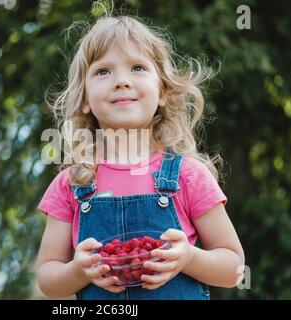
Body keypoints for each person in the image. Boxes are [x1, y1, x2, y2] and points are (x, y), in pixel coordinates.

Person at [35, 14, 244, 300]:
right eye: (103, 72)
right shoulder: (70, 184)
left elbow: (234, 268)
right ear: (84, 99)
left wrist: (189, 259)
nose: (121, 81)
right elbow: (48, 278)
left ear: (162, 91)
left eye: (137, 67)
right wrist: (77, 272)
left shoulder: (188, 176)